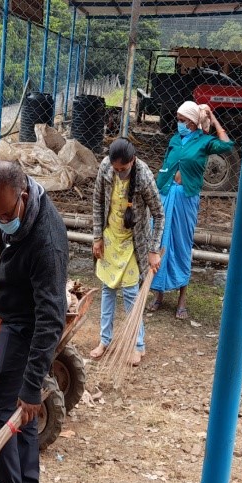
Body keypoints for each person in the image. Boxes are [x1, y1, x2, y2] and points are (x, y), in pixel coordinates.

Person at [0, 160, 69, 483]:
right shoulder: (13, 206)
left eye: (6, 213)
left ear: (22, 195)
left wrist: (33, 385)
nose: (3, 221)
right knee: (21, 410)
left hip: (29, 325)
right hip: (17, 311)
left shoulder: (46, 242)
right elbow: (8, 245)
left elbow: (51, 319)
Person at [149, 101, 234, 319]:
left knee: (182, 244)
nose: (179, 124)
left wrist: (213, 119)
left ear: (193, 123)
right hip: (166, 195)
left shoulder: (204, 142)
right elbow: (167, 165)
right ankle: (158, 294)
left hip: (186, 199)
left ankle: (181, 299)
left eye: (183, 120)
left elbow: (227, 145)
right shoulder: (175, 140)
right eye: (178, 120)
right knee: (159, 242)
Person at [89, 138, 164, 366]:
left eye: (123, 169)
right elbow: (97, 202)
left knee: (132, 294)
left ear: (132, 161)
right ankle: (105, 340)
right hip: (111, 238)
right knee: (107, 289)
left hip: (133, 243)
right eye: (116, 169)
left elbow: (159, 214)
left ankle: (137, 345)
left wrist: (153, 250)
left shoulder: (144, 177)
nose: (119, 172)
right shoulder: (105, 168)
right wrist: (97, 237)